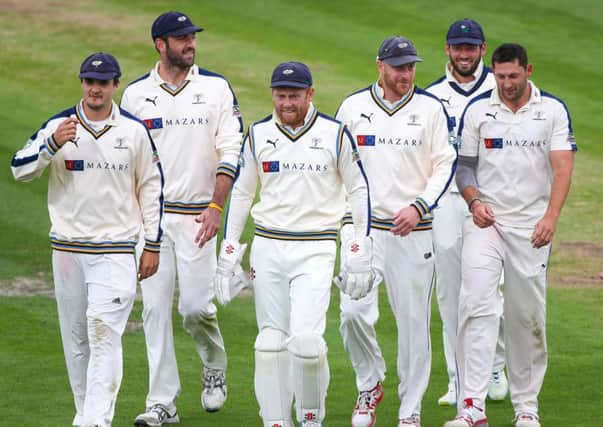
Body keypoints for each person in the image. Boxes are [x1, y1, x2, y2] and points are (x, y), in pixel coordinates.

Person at [214, 61, 372, 427]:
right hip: (268, 246)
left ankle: (310, 417)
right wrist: (229, 249)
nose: (286, 103)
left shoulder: (334, 134)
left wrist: (361, 247)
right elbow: (242, 191)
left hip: (315, 248)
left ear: (310, 94)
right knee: (270, 341)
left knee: (305, 341)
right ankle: (275, 420)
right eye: (281, 95)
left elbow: (359, 188)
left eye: (294, 95)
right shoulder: (258, 134)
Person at [11, 52, 164, 427]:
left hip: (115, 250)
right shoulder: (58, 126)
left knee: (103, 331)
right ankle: (86, 413)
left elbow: (152, 187)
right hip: (67, 251)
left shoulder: (133, 131)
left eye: (103, 82)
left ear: (115, 85)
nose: (95, 89)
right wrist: (50, 146)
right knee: (77, 340)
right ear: (82, 83)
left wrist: (153, 244)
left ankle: (95, 421)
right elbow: (19, 170)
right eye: (89, 82)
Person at [120, 11, 243, 426]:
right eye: (181, 38)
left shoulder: (215, 88)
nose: (190, 43)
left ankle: (213, 365)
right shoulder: (136, 96)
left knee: (194, 309)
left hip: (198, 217)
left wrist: (216, 206)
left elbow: (232, 151)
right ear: (160, 44)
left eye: (192, 37)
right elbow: (127, 161)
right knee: (154, 311)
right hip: (151, 222)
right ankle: (162, 402)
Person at [444, 43, 576, 427]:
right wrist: (473, 202)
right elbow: (465, 167)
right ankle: (472, 406)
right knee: (475, 305)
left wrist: (551, 217)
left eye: (513, 76)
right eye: (500, 76)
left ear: (528, 70)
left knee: (526, 317)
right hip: (487, 224)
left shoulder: (551, 111)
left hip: (532, 229)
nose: (506, 84)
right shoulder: (479, 110)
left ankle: (526, 408)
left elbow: (562, 167)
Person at [336, 36, 457, 427]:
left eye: (410, 67)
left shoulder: (430, 109)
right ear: (380, 65)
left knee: (413, 324)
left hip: (414, 230)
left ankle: (410, 412)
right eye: (398, 67)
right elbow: (337, 166)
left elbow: (445, 163)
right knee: (352, 312)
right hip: (364, 230)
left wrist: (420, 206)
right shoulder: (353, 108)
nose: (405, 74)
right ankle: (369, 384)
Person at [425, 18, 507, 406]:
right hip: (445, 202)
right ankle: (458, 379)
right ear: (447, 49)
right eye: (458, 47)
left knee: (489, 290)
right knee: (449, 292)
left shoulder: (501, 88)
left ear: (482, 48)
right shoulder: (431, 95)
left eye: (470, 48)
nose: (463, 54)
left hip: (490, 201)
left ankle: (493, 364)